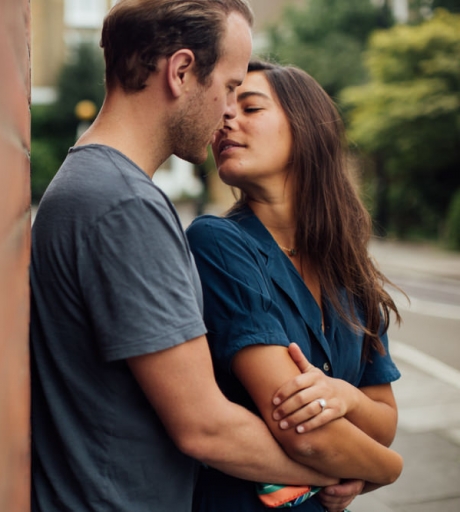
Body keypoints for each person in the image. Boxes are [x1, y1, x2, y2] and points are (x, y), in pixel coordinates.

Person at [29, 3, 341, 511]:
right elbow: (206, 428)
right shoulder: (123, 204)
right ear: (180, 72)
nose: (229, 108)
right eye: (231, 85)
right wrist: (340, 470)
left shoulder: (98, 187)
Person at [186, 60, 405, 512]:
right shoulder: (219, 243)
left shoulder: (349, 267)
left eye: (250, 107)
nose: (226, 117)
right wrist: (387, 471)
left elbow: (384, 421)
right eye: (225, 107)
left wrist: (344, 396)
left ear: (305, 129)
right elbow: (304, 433)